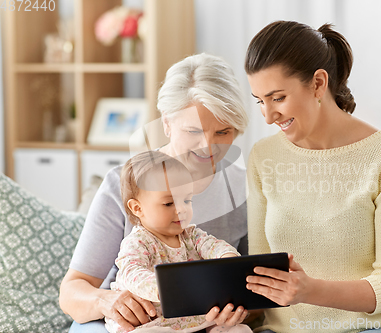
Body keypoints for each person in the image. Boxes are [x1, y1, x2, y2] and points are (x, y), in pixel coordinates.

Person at [244, 21, 381, 333]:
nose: (267, 116)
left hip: (375, 329)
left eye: (277, 98)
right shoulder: (264, 157)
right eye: (260, 101)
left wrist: (309, 290)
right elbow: (262, 273)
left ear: (318, 83)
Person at [59, 53, 249, 333]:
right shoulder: (124, 183)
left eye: (223, 132)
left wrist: (239, 309)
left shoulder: (241, 188)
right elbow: (72, 292)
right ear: (167, 124)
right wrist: (108, 301)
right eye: (194, 130)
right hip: (132, 322)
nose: (209, 148)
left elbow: (250, 283)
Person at [104, 151, 251, 333]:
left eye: (186, 200)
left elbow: (214, 246)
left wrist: (227, 258)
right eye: (168, 203)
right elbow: (131, 272)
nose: (181, 209)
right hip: (150, 323)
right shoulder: (137, 242)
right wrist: (163, 288)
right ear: (137, 208)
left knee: (238, 330)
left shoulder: (192, 235)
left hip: (193, 320)